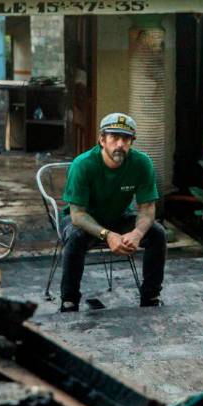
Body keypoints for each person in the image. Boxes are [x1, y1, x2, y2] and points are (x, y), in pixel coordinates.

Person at [59, 112, 167, 312]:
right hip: (82, 220)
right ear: (102, 139)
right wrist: (107, 235)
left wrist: (137, 233)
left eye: (125, 139)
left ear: (132, 142)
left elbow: (147, 208)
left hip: (118, 216)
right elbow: (77, 215)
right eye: (114, 137)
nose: (120, 144)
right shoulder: (83, 165)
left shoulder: (141, 163)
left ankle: (151, 297)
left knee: (158, 233)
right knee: (75, 237)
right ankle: (69, 300)